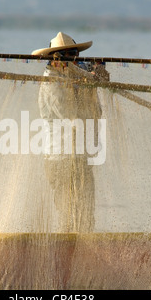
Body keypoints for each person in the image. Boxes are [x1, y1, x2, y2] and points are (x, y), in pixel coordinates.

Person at [32, 32, 109, 233]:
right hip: (60, 158)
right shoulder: (52, 80)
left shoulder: (79, 74)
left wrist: (96, 80)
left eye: (73, 53)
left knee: (86, 215)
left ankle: (83, 259)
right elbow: (70, 115)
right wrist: (88, 81)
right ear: (53, 58)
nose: (71, 59)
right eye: (64, 55)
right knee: (68, 214)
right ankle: (66, 255)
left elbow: (96, 112)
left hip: (81, 156)